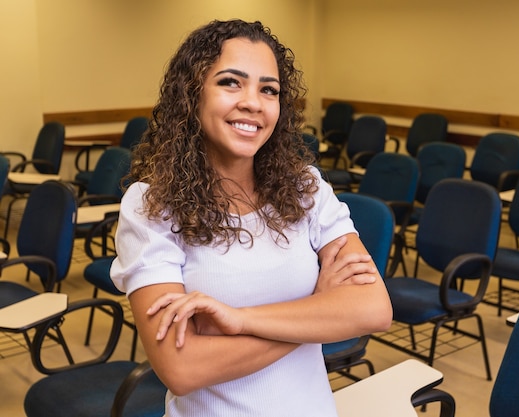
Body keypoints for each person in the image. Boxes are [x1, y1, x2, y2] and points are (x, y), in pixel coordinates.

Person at [110, 19, 392, 417]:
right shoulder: (150, 206)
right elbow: (182, 368)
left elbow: (374, 309)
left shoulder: (306, 188)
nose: (253, 103)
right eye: (230, 82)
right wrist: (318, 308)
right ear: (192, 95)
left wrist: (237, 320)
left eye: (269, 89)